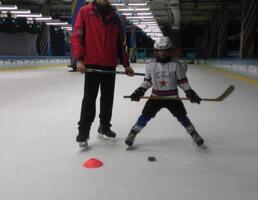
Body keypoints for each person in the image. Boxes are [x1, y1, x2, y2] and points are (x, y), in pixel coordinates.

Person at [71, 0, 134, 148]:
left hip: (109, 66)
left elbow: (120, 44)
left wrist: (126, 65)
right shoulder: (85, 12)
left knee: (107, 100)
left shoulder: (114, 17)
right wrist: (79, 59)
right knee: (89, 100)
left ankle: (104, 127)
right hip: (92, 65)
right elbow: (77, 36)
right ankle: (83, 132)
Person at [125, 36, 205, 148]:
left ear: (170, 51)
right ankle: (132, 133)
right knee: (145, 116)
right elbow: (147, 81)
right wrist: (140, 91)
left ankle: (193, 133)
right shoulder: (151, 65)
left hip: (172, 98)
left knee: (182, 116)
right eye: (160, 50)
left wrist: (190, 93)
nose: (162, 53)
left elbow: (183, 82)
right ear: (156, 51)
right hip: (155, 97)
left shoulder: (176, 65)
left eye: (165, 50)